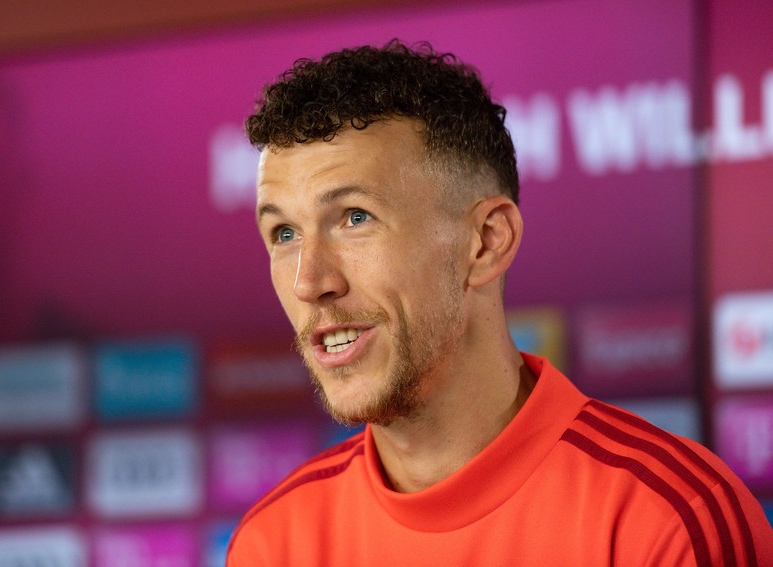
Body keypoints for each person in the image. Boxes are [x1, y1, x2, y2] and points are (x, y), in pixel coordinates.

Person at [226, 40, 773, 566]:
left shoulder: (668, 519)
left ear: (487, 242)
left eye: (355, 218)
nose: (308, 282)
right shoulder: (272, 543)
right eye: (284, 233)